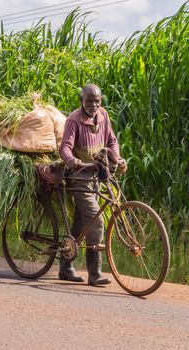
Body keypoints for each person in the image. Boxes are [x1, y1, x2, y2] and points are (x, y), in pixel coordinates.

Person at [58, 84, 127, 286]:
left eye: (97, 101)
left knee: (82, 223)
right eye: (89, 101)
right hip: (78, 178)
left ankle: (64, 268)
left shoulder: (103, 116)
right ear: (82, 101)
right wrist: (73, 162)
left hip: (97, 175)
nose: (94, 105)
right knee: (96, 221)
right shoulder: (74, 120)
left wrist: (118, 158)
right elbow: (65, 148)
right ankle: (95, 273)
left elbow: (112, 141)